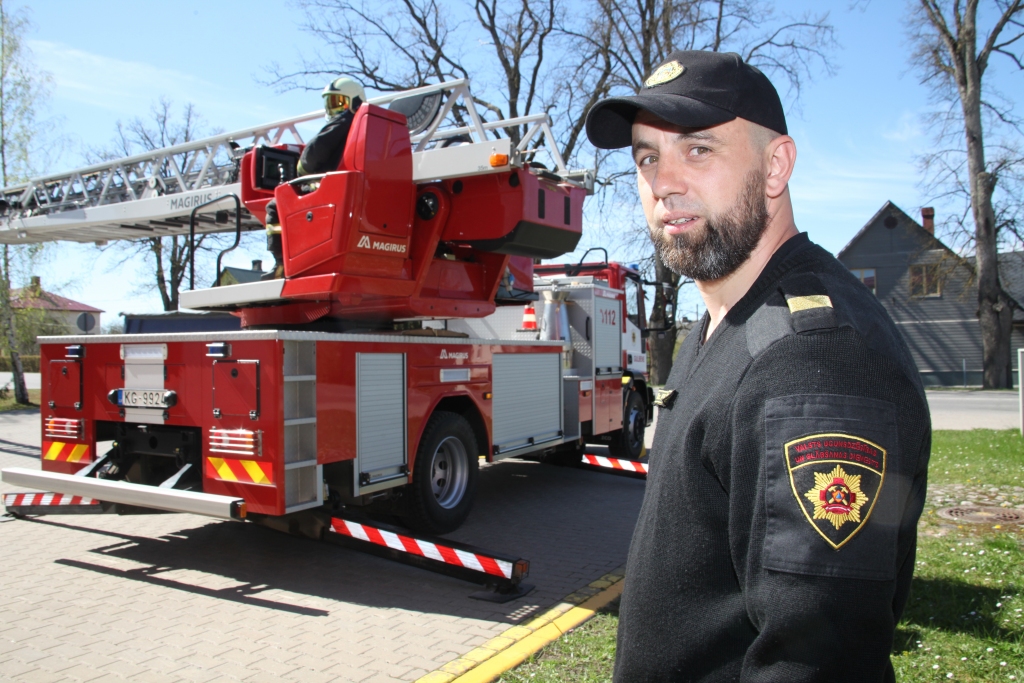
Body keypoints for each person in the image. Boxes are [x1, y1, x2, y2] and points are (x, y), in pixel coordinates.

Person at [584, 51, 930, 682]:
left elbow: (817, 661)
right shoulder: (724, 324)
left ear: (776, 166)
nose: (663, 182)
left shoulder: (813, 361)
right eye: (646, 157)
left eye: (698, 150)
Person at [263, 77, 366, 279]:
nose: (333, 109)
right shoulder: (363, 126)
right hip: (342, 191)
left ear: (354, 102)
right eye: (330, 102)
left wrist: (301, 171)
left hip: (327, 190)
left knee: (275, 206)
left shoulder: (343, 121)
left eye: (339, 102)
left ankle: (281, 263)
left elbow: (312, 156)